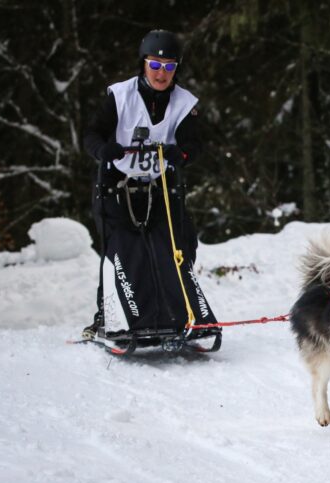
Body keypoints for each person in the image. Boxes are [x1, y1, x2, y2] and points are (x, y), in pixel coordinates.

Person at [82, 29, 203, 340]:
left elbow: (194, 143)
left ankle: (176, 313)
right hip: (117, 182)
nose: (161, 74)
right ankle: (108, 315)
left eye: (169, 67)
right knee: (121, 248)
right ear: (144, 64)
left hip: (159, 183)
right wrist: (102, 150)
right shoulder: (120, 95)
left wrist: (182, 154)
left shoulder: (185, 103)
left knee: (179, 243)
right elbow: (92, 134)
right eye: (155, 65)